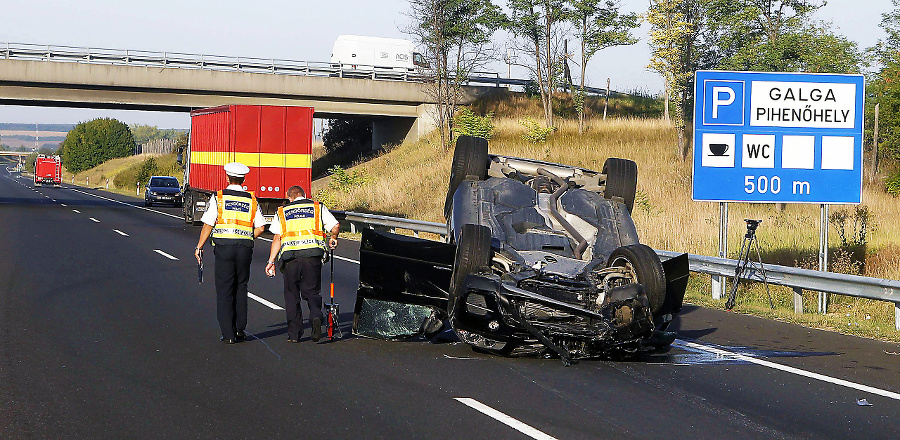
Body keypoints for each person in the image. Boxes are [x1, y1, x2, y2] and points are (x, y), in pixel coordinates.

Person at [194, 162, 267, 344]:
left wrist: (199, 246)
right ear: (243, 179)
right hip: (244, 248)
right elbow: (261, 227)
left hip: (224, 248)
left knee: (225, 289)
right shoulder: (251, 199)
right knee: (241, 287)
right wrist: (247, 236)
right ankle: (240, 329)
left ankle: (228, 334)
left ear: (227, 177)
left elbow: (208, 224)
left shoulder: (219, 197)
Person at [265, 185, 339, 343]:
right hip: (312, 256)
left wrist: (271, 261)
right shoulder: (317, 207)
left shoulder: (283, 211)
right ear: (305, 195)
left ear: (290, 197)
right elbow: (335, 226)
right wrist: (333, 237)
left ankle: (294, 334)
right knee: (312, 292)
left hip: (290, 258)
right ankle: (316, 316)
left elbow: (277, 238)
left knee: (292, 295)